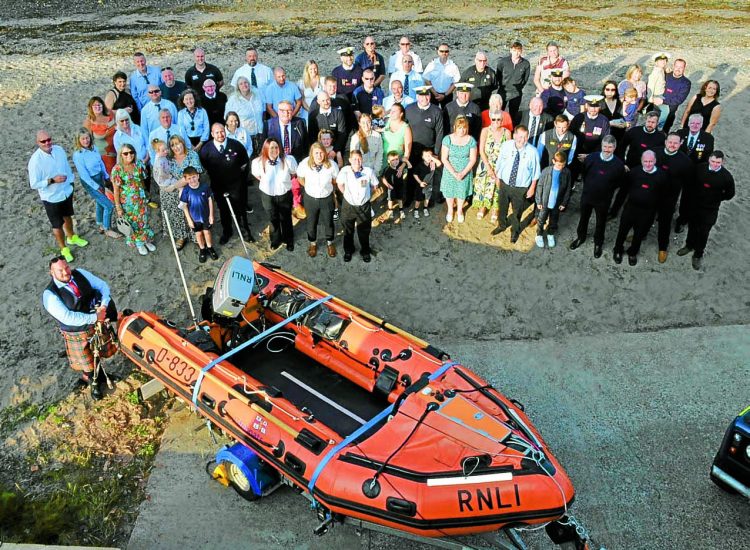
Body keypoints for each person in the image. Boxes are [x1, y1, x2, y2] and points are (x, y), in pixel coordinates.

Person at [42, 257, 118, 400]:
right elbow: (67, 317)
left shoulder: (80, 273)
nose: (65, 272)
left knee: (99, 351)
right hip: (76, 331)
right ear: (51, 273)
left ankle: (102, 376)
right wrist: (95, 317)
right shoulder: (50, 295)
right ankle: (93, 383)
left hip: (97, 321)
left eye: (67, 267)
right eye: (60, 270)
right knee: (87, 361)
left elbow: (103, 286)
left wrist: (104, 305)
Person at [28, 130, 87, 262]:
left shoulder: (59, 150)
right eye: (43, 141)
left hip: (65, 190)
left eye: (49, 139)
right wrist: (52, 180)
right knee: (57, 224)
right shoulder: (35, 161)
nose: (47, 143)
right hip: (51, 197)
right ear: (38, 143)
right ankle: (63, 248)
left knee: (68, 215)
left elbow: (66, 167)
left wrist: (71, 183)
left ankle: (71, 237)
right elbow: (33, 184)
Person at [676, 151, 735, 270]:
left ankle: (698, 254)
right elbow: (690, 182)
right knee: (692, 227)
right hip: (695, 205)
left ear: (722, 162)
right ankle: (689, 245)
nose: (714, 164)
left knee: (704, 232)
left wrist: (716, 199)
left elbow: (730, 194)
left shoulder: (726, 177)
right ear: (709, 160)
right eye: (713, 161)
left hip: (710, 210)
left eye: (718, 162)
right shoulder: (700, 168)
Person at [569, 135, 625, 258]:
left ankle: (598, 243)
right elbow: (584, 173)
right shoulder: (591, 158)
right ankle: (580, 237)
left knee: (601, 222)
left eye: (610, 147)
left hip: (604, 200)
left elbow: (619, 182)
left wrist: (607, 189)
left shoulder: (618, 165)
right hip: (587, 196)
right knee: (583, 218)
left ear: (614, 148)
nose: (607, 149)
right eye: (605, 146)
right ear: (601, 146)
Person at [200, 123, 252, 245]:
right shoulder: (206, 149)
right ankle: (227, 232)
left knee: (240, 209)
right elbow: (205, 166)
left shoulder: (236, 145)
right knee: (223, 210)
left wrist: (240, 180)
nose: (220, 134)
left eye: (222, 131)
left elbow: (244, 164)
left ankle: (245, 232)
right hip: (218, 186)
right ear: (212, 134)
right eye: (217, 132)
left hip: (236, 185)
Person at [611, 150, 666, 266]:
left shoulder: (662, 176)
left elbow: (663, 196)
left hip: (647, 212)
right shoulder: (634, 173)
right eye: (646, 161)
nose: (648, 164)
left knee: (639, 234)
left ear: (655, 161)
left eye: (651, 161)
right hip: (631, 208)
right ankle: (617, 250)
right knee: (622, 231)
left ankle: (633, 252)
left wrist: (658, 212)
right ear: (641, 161)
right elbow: (624, 191)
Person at [491, 125, 541, 243]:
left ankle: (515, 231)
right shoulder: (506, 145)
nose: (521, 139)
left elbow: (536, 172)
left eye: (524, 137)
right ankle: (502, 225)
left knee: (517, 211)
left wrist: (532, 188)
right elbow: (499, 163)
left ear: (527, 137)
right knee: (502, 207)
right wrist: (498, 178)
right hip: (504, 183)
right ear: (514, 135)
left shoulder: (533, 152)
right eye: (519, 136)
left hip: (520, 188)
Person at [72, 128, 120, 239]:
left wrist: (106, 176)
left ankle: (100, 224)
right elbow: (84, 175)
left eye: (87, 138)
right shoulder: (78, 155)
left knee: (100, 202)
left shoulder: (94, 148)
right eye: (83, 139)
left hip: (99, 177)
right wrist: (96, 186)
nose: (86, 141)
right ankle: (107, 229)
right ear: (78, 140)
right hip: (90, 181)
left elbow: (101, 163)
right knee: (109, 205)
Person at [263, 100, 308, 218]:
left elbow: (305, 145)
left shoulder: (300, 122)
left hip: (295, 161)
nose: (286, 113)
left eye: (289, 110)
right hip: (277, 163)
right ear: (278, 111)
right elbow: (264, 147)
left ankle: (296, 205)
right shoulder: (268, 124)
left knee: (296, 186)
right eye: (283, 110)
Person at [251, 138, 296, 251]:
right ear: (266, 148)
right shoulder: (257, 162)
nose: (274, 150)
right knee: (273, 219)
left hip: (284, 194)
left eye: (276, 147)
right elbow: (257, 176)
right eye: (271, 147)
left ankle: (288, 239)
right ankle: (275, 240)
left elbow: (294, 173)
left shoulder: (288, 160)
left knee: (286, 218)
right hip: (268, 196)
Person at [654, 132, 693, 263]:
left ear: (681, 143)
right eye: (670, 142)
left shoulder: (685, 161)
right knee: (645, 217)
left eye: (676, 143)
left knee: (665, 224)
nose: (672, 145)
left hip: (669, 198)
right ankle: (640, 235)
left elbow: (688, 183)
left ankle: (662, 248)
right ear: (665, 142)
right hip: (652, 193)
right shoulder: (655, 153)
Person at [111, 144, 156, 255]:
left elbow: (141, 181)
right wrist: (118, 207)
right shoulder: (117, 169)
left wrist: (146, 194)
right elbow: (116, 191)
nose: (129, 155)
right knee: (134, 223)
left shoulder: (138, 164)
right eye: (125, 153)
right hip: (127, 202)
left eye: (131, 152)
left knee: (143, 221)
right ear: (121, 155)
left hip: (140, 198)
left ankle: (145, 240)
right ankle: (139, 244)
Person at [336, 150, 380, 262]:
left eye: (359, 158)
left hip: (364, 206)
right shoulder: (344, 171)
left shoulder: (368, 171)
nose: (357, 161)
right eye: (354, 159)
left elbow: (375, 185)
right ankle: (348, 250)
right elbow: (339, 184)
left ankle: (365, 251)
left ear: (362, 160)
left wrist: (369, 195)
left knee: (364, 230)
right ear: (350, 160)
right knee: (348, 230)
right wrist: (346, 194)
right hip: (348, 206)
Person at [297, 142, 339, 258]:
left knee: (329, 222)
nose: (319, 155)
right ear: (312, 154)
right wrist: (310, 187)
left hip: (327, 198)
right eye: (316, 153)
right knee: (311, 222)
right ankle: (313, 243)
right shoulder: (305, 164)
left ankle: (330, 243)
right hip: (311, 199)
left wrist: (326, 187)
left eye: (321, 153)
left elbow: (336, 180)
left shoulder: (332, 165)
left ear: (325, 153)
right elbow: (300, 178)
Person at [405, 86, 445, 202]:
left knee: (430, 174)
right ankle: (410, 197)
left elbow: (439, 133)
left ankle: (431, 197)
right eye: (421, 96)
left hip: (429, 149)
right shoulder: (409, 109)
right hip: (413, 148)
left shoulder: (436, 111)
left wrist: (436, 153)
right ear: (417, 96)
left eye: (427, 95)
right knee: (412, 173)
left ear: (430, 96)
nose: (424, 98)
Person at [151, 138, 190, 250]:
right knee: (174, 209)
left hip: (172, 181)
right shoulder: (159, 161)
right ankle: (179, 235)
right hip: (167, 183)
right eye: (163, 150)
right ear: (157, 151)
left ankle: (188, 233)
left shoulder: (165, 158)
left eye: (166, 149)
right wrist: (173, 184)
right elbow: (162, 176)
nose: (166, 151)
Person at [473, 110, 511, 221]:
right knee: (483, 186)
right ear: (490, 119)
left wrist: (500, 168)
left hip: (500, 165)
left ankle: (495, 209)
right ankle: (483, 207)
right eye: (493, 119)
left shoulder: (507, 133)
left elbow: (508, 152)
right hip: (486, 163)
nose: (496, 121)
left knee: (497, 188)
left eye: (498, 119)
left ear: (502, 120)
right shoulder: (485, 131)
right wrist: (488, 167)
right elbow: (481, 150)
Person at [440, 116, 477, 223]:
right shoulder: (447, 139)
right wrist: (454, 173)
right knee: (449, 192)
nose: (462, 130)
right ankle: (450, 210)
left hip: (464, 171)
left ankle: (460, 210)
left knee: (461, 192)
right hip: (450, 170)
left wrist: (463, 173)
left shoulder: (471, 140)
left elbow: (473, 159)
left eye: (464, 127)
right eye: (459, 127)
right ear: (455, 127)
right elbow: (444, 158)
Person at [179, 166, 218, 262]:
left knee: (207, 232)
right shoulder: (186, 190)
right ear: (185, 179)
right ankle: (202, 249)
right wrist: (189, 220)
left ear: (198, 176)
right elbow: (184, 206)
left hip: (205, 216)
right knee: (199, 234)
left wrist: (211, 215)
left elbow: (210, 200)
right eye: (189, 178)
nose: (192, 180)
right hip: (194, 218)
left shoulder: (205, 187)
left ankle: (210, 247)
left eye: (194, 177)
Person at [534, 151, 572, 248]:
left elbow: (568, 189)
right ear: (553, 161)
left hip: (557, 201)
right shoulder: (546, 171)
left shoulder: (566, 172)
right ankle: (539, 235)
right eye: (559, 165)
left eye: (563, 165)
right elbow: (540, 186)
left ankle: (550, 234)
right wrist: (539, 201)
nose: (561, 167)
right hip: (545, 201)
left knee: (554, 219)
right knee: (541, 218)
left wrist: (564, 203)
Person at [571, 95, 611, 178]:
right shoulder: (579, 117)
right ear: (586, 106)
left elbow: (605, 141)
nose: (593, 109)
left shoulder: (604, 120)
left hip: (594, 156)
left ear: (599, 107)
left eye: (596, 106)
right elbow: (571, 137)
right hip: (576, 155)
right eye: (591, 106)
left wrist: (590, 156)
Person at [224, 76, 264, 155]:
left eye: (246, 82)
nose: (244, 85)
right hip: (245, 135)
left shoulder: (257, 95)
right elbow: (227, 117)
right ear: (238, 87)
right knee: (248, 158)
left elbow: (263, 111)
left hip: (260, 133)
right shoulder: (233, 100)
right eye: (241, 84)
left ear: (249, 84)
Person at [495, 41, 531, 124]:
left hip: (516, 93)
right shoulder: (503, 62)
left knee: (513, 115)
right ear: (510, 50)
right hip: (503, 91)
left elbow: (525, 78)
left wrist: (519, 87)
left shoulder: (525, 64)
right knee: (499, 112)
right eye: (514, 50)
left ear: (521, 51)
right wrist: (502, 85)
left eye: (519, 50)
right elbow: (498, 75)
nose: (516, 53)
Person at [83, 96, 117, 174]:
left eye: (99, 105)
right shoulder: (89, 122)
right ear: (91, 108)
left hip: (118, 151)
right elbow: (86, 142)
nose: (98, 107)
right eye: (95, 106)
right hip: (104, 156)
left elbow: (119, 113)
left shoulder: (110, 114)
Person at [423, 43, 461, 107]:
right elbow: (426, 79)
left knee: (447, 115)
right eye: (441, 51)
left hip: (447, 95)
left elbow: (456, 82)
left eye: (446, 51)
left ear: (448, 53)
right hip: (433, 94)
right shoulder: (432, 64)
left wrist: (445, 95)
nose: (444, 53)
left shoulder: (453, 66)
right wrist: (435, 93)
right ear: (438, 52)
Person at [662, 58, 691, 132]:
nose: (678, 69)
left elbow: (679, 99)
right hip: (657, 109)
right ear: (673, 66)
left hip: (669, 113)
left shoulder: (686, 83)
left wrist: (662, 100)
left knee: (663, 134)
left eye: (681, 67)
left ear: (684, 68)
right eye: (677, 66)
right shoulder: (665, 76)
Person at [380, 151, 409, 223]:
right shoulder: (387, 169)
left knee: (400, 198)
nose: (395, 161)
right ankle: (390, 210)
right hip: (391, 188)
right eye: (393, 160)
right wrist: (388, 185)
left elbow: (409, 166)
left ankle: (401, 210)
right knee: (390, 199)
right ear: (388, 161)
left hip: (400, 186)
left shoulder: (400, 167)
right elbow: (383, 178)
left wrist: (405, 162)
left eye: (397, 159)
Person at [382, 103, 412, 170]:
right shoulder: (386, 122)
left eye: (394, 111)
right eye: (391, 110)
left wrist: (402, 167)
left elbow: (407, 152)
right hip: (383, 161)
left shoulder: (406, 128)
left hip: (397, 163)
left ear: (401, 114)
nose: (391, 113)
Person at [412, 149, 442, 218]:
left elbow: (439, 163)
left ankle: (425, 208)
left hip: (429, 185)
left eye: (430, 156)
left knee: (427, 198)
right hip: (421, 185)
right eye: (426, 156)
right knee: (418, 199)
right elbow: (415, 174)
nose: (428, 158)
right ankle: (416, 209)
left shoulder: (433, 164)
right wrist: (420, 182)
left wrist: (432, 158)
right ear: (422, 157)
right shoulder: (420, 165)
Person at [646, 53, 669, 130]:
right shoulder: (655, 72)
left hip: (661, 94)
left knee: (659, 113)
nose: (664, 62)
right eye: (661, 60)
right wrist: (650, 97)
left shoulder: (661, 70)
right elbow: (650, 85)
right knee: (665, 112)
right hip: (656, 96)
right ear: (656, 62)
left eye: (665, 60)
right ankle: (656, 127)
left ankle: (656, 127)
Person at [297, 60, 323, 125]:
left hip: (320, 110)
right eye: (311, 69)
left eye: (315, 68)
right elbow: (302, 99)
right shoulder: (301, 83)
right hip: (306, 110)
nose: (313, 70)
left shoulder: (322, 80)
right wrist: (309, 110)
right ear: (307, 70)